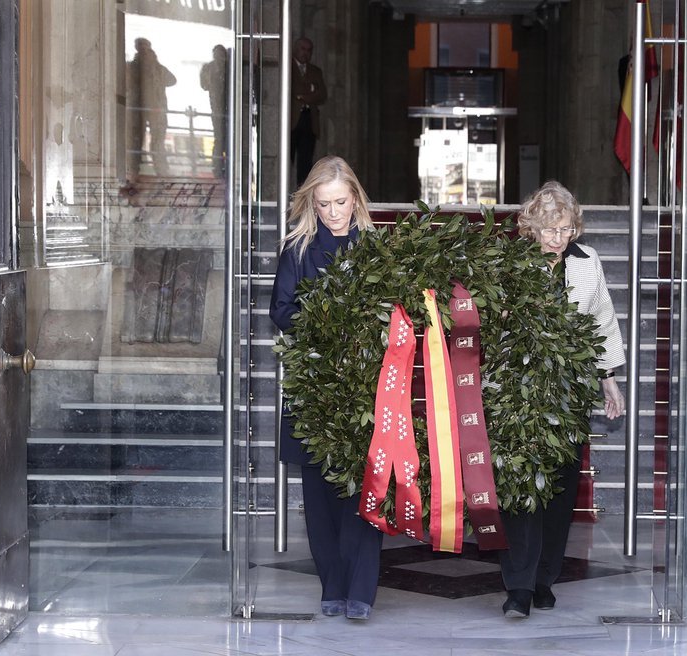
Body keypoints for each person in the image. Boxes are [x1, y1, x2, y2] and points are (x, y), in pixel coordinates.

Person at [499, 180, 626, 618]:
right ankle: (517, 585)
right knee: (518, 487)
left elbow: (603, 320)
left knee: (558, 488)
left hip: (569, 391)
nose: (557, 238)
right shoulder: (510, 262)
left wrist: (608, 379)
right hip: (517, 392)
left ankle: (543, 579)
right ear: (531, 227)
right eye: (549, 229)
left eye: (566, 229)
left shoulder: (588, 262)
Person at [269, 155, 381, 620]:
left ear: (355, 198)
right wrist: (329, 328)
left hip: (366, 388)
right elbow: (281, 311)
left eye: (340, 202)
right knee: (318, 496)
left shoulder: (377, 249)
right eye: (324, 204)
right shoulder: (296, 249)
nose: (334, 212)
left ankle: (361, 589)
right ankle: (331, 585)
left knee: (364, 490)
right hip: (313, 384)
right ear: (311, 203)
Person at [126, 38, 176, 179]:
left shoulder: (154, 68)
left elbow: (172, 80)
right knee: (139, 140)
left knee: (150, 141)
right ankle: (150, 169)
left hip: (150, 109)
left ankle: (154, 169)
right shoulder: (137, 66)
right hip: (142, 109)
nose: (145, 51)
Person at [290, 37, 327, 186]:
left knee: (306, 162)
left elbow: (322, 95)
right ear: (295, 49)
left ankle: (302, 193)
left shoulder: (316, 71)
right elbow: (293, 89)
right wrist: (311, 89)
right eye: (302, 49)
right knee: (288, 157)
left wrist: (302, 95)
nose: (305, 53)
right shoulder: (288, 67)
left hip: (309, 120)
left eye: (309, 50)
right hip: (291, 120)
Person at [199, 44, 229, 178]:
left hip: (229, 108)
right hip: (217, 108)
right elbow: (204, 85)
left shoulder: (229, 67)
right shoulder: (209, 68)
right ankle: (217, 169)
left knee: (227, 139)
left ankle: (227, 167)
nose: (219, 57)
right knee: (219, 138)